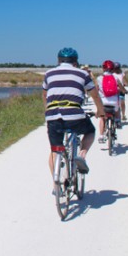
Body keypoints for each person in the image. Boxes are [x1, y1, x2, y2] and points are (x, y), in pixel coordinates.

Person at [43, 47, 103, 178]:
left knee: (55, 150)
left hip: (53, 116)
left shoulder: (49, 74)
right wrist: (100, 110)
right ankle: (82, 155)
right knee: (90, 131)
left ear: (59, 61)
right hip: (74, 115)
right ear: (75, 62)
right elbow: (95, 95)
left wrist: (47, 111)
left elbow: (45, 95)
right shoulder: (82, 74)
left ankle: (56, 185)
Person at [97, 60, 126, 140]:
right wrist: (124, 91)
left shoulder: (99, 78)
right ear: (113, 69)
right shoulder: (115, 77)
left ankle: (101, 136)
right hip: (114, 103)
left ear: (103, 69)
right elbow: (121, 87)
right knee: (117, 109)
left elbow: (97, 89)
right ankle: (118, 121)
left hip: (103, 102)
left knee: (102, 118)